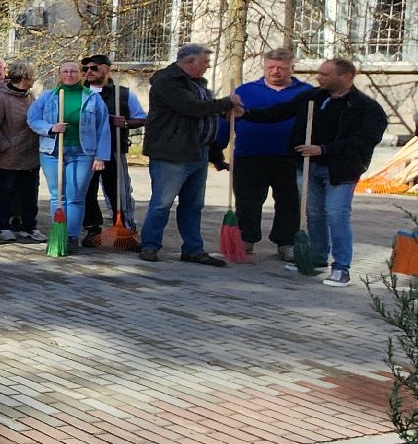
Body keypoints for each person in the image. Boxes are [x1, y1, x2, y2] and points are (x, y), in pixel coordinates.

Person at [238, 58, 386, 287]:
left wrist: (324, 149)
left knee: (337, 215)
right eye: (319, 73)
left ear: (346, 77)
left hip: (340, 170)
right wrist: (245, 113)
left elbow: (363, 140)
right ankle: (317, 258)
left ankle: (341, 267)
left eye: (325, 74)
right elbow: (278, 112)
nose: (318, 77)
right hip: (308, 166)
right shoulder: (312, 97)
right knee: (313, 214)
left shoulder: (365, 107)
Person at [138, 43, 242, 266]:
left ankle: (193, 249)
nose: (208, 66)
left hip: (198, 153)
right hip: (171, 153)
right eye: (205, 62)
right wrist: (226, 102)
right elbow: (191, 108)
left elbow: (207, 118)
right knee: (162, 203)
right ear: (190, 62)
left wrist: (216, 155)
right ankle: (150, 245)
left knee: (193, 205)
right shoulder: (167, 81)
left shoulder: (198, 84)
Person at [222, 49, 313, 260]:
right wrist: (217, 148)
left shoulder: (306, 92)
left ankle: (286, 242)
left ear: (292, 68)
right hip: (249, 155)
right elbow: (227, 120)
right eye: (271, 67)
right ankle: (246, 238)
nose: (275, 71)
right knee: (248, 201)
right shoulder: (245, 91)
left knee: (290, 202)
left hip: (291, 157)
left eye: (282, 67)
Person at [28, 61, 112, 253]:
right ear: (59, 74)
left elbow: (103, 128)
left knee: (75, 197)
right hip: (52, 152)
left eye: (73, 71)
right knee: (58, 196)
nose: (69, 74)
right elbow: (32, 119)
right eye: (65, 71)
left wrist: (101, 156)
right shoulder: (49, 96)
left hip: (83, 153)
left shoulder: (92, 98)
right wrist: (51, 128)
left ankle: (71, 236)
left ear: (80, 74)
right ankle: (59, 234)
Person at [80, 54, 149, 243]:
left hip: (114, 148)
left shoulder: (123, 94)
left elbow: (141, 118)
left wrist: (125, 123)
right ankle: (92, 229)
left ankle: (125, 228)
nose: (89, 72)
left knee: (119, 190)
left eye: (94, 68)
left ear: (107, 69)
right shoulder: (79, 93)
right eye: (85, 69)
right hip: (86, 151)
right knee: (87, 191)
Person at [0, 60, 41, 241]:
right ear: (24, 77)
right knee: (5, 191)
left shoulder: (30, 96)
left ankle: (29, 226)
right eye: (32, 76)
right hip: (8, 155)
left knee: (30, 192)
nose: (34, 79)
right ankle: (3, 225)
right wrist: (5, 145)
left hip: (31, 153)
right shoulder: (0, 98)